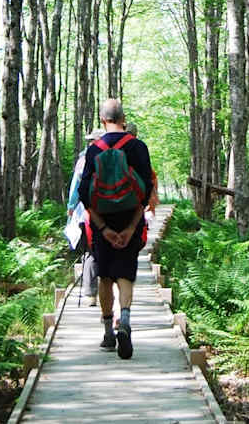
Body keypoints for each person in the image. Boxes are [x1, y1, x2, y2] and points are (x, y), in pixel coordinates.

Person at [77, 98, 153, 360]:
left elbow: (84, 193)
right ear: (124, 118)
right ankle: (127, 321)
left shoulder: (94, 150)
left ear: (102, 120)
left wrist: (103, 228)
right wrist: (132, 228)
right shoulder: (138, 147)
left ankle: (109, 333)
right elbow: (146, 191)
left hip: (102, 223)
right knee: (126, 274)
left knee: (105, 277)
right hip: (130, 218)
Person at [66, 129, 102, 305]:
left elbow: (76, 185)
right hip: (111, 212)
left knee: (91, 251)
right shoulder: (116, 158)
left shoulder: (84, 160)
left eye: (92, 141)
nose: (89, 144)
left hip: (87, 212)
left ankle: (90, 294)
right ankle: (104, 293)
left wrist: (71, 206)